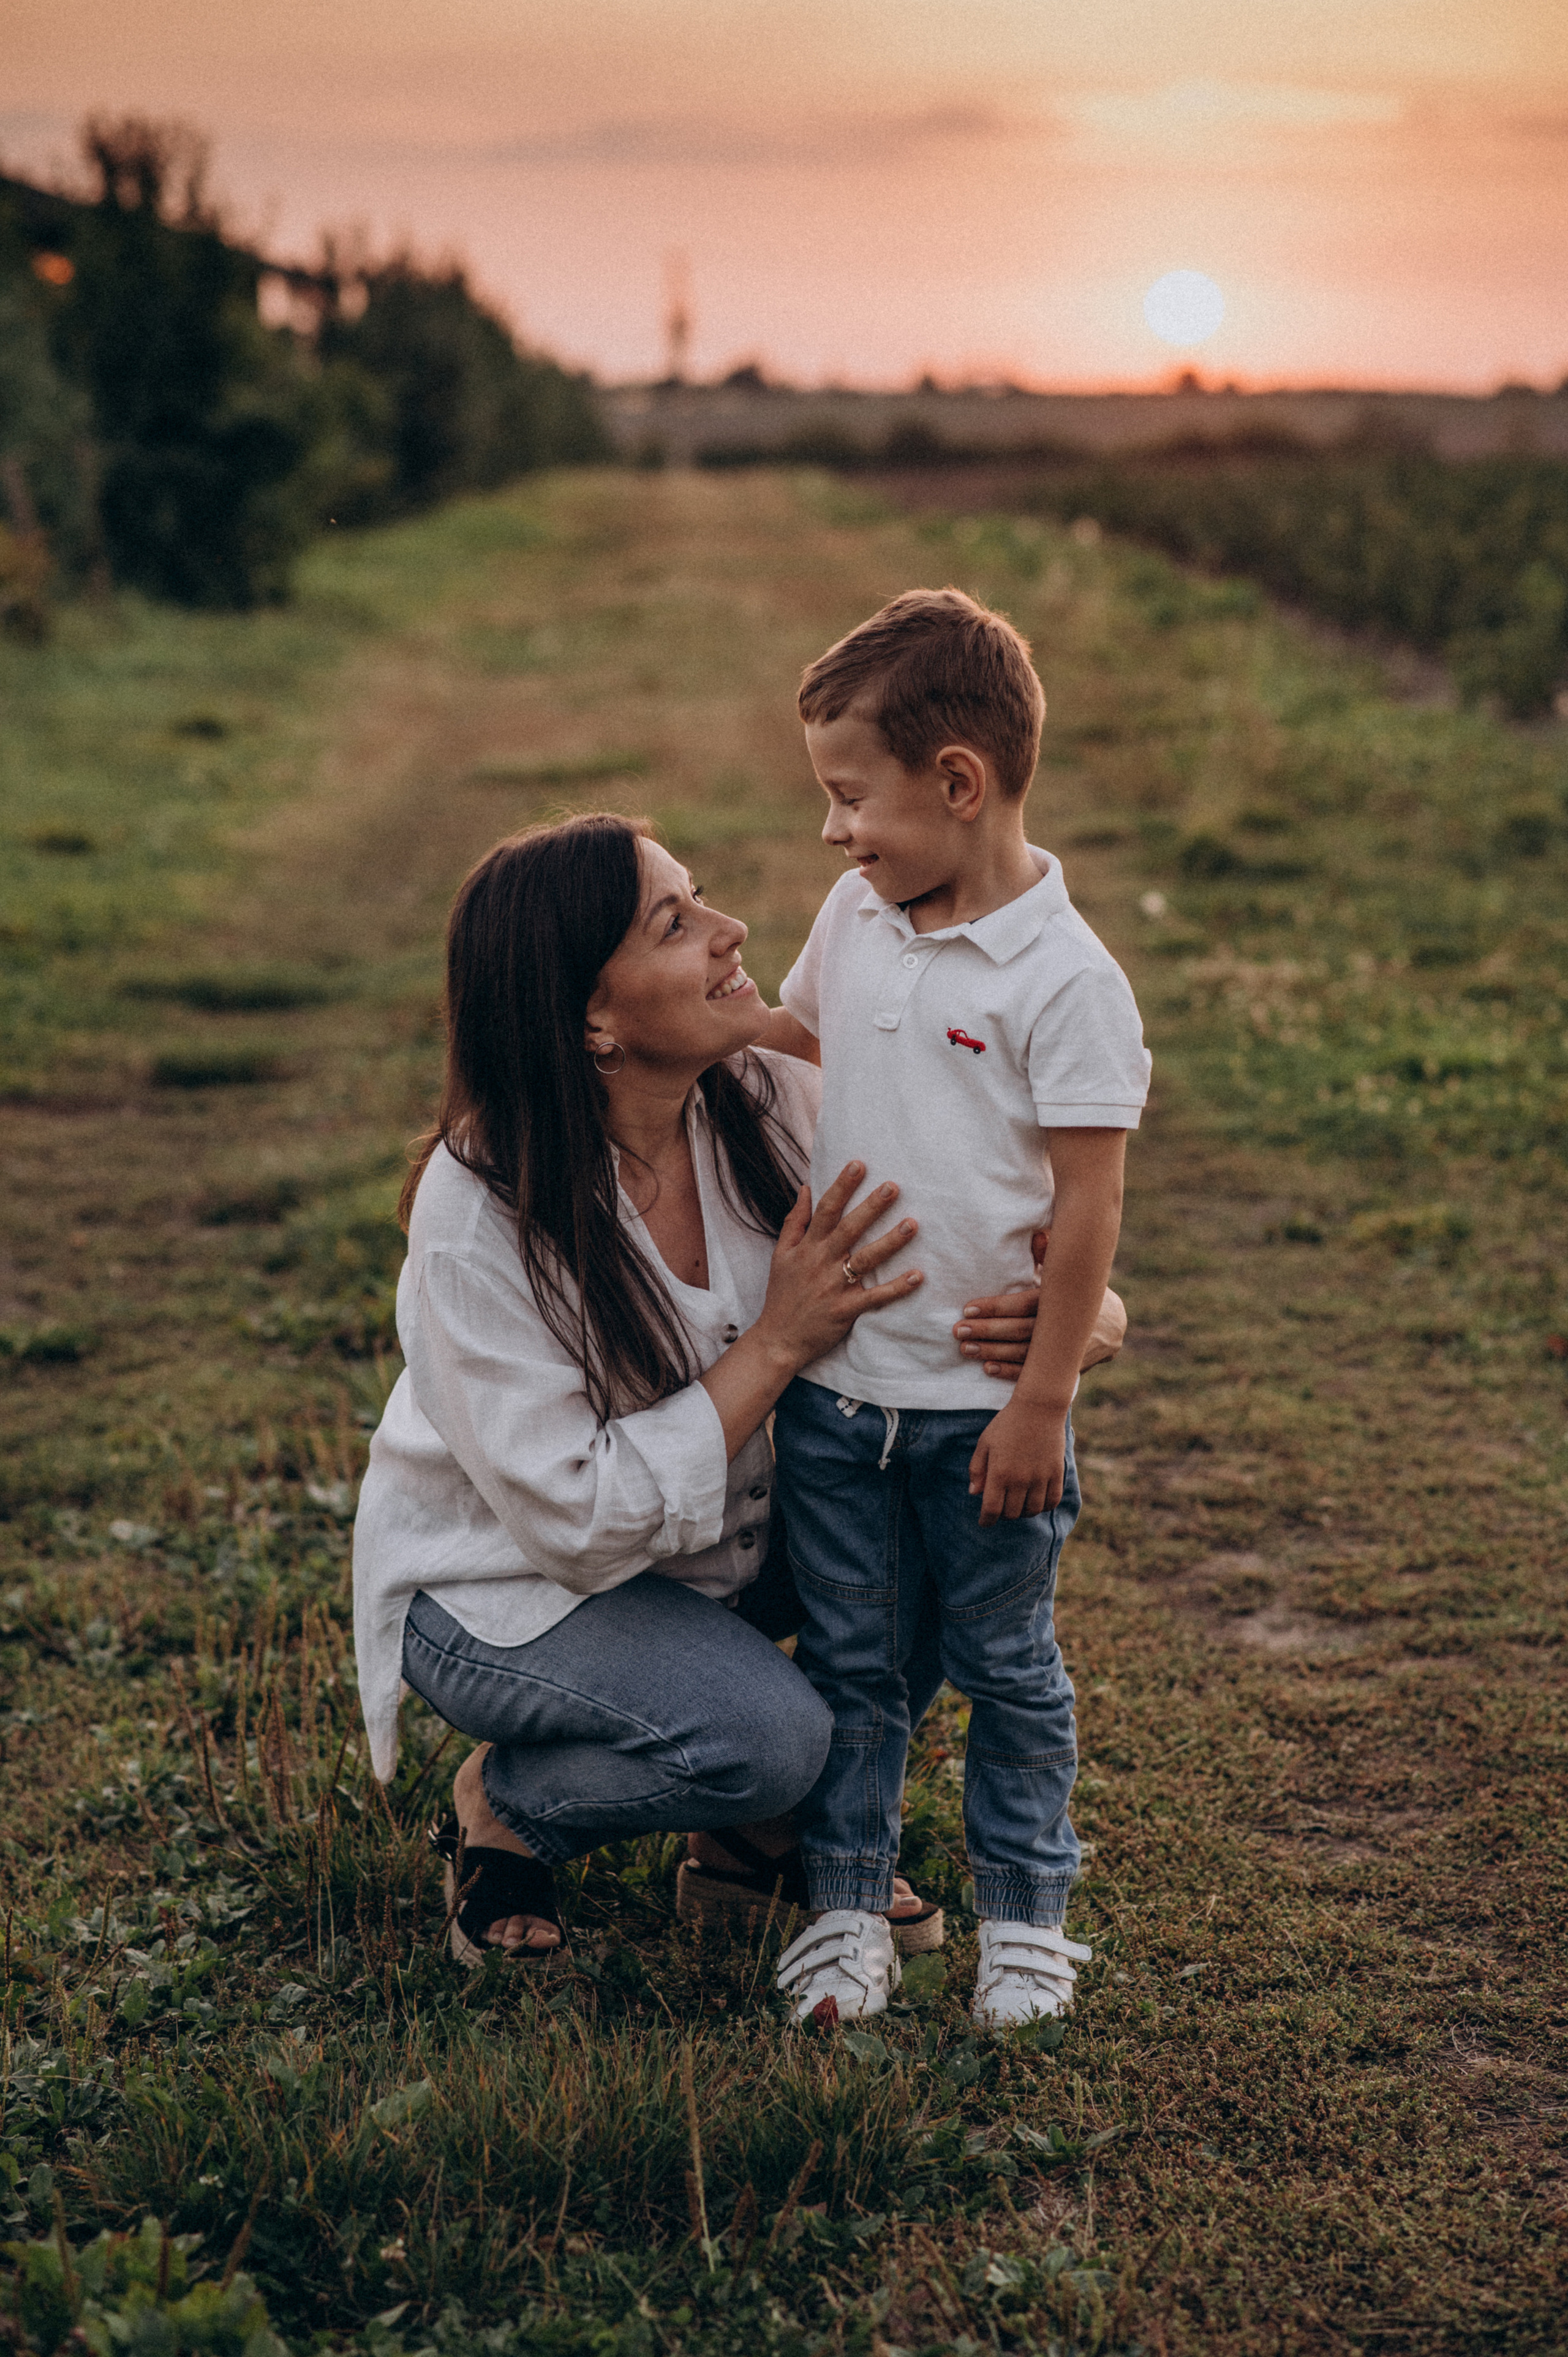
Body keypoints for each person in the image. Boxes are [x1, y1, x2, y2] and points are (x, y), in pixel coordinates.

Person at [352, 812, 1110, 1963]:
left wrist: (1078, 1325)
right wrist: (777, 1338)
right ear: (592, 1016)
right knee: (771, 1736)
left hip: (721, 1555)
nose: (730, 930)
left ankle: (748, 1849)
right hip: (518, 1596)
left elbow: (970, 1241)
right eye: (675, 922)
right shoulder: (480, 1213)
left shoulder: (768, 1095)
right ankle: (516, 1807)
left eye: (698, 895)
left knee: (959, 1519)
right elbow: (575, 1525)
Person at [755, 588, 1152, 2028]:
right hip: (839, 1405)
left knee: (1004, 1671)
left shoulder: (1065, 980)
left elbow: (1089, 1209)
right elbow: (794, 1030)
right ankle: (847, 1909)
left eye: (848, 797)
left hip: (982, 1414)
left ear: (958, 784)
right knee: (855, 1668)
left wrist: (1043, 1395)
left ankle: (1026, 1920)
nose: (831, 833)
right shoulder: (856, 915)